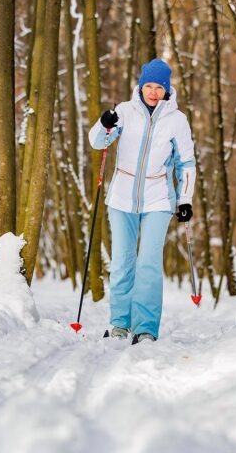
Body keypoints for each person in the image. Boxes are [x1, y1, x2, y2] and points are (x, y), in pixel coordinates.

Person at [88, 58, 196, 344]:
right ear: (140, 85)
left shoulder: (177, 120)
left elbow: (187, 163)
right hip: (122, 198)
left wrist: (185, 199)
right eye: (148, 85)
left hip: (158, 199)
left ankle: (146, 328)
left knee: (148, 263)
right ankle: (119, 324)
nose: (152, 92)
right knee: (123, 261)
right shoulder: (124, 111)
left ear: (166, 89)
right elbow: (99, 142)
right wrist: (104, 124)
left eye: (158, 87)